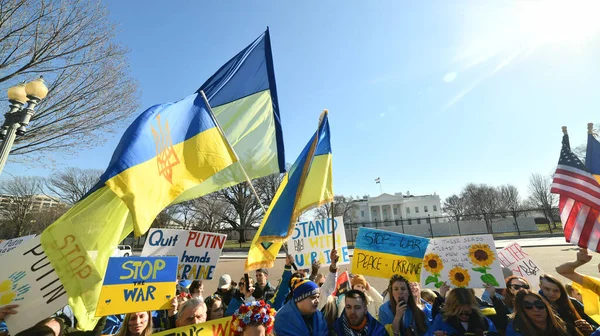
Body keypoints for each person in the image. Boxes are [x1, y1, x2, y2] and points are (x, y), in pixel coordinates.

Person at [430, 288, 499, 336]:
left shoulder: (484, 321)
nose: (464, 315)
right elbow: (429, 333)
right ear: (451, 309)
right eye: (459, 312)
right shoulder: (441, 320)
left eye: (467, 312)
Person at [506, 290, 572, 336]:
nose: (535, 309)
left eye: (539, 304)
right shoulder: (515, 329)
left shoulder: (560, 323)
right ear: (522, 310)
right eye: (528, 306)